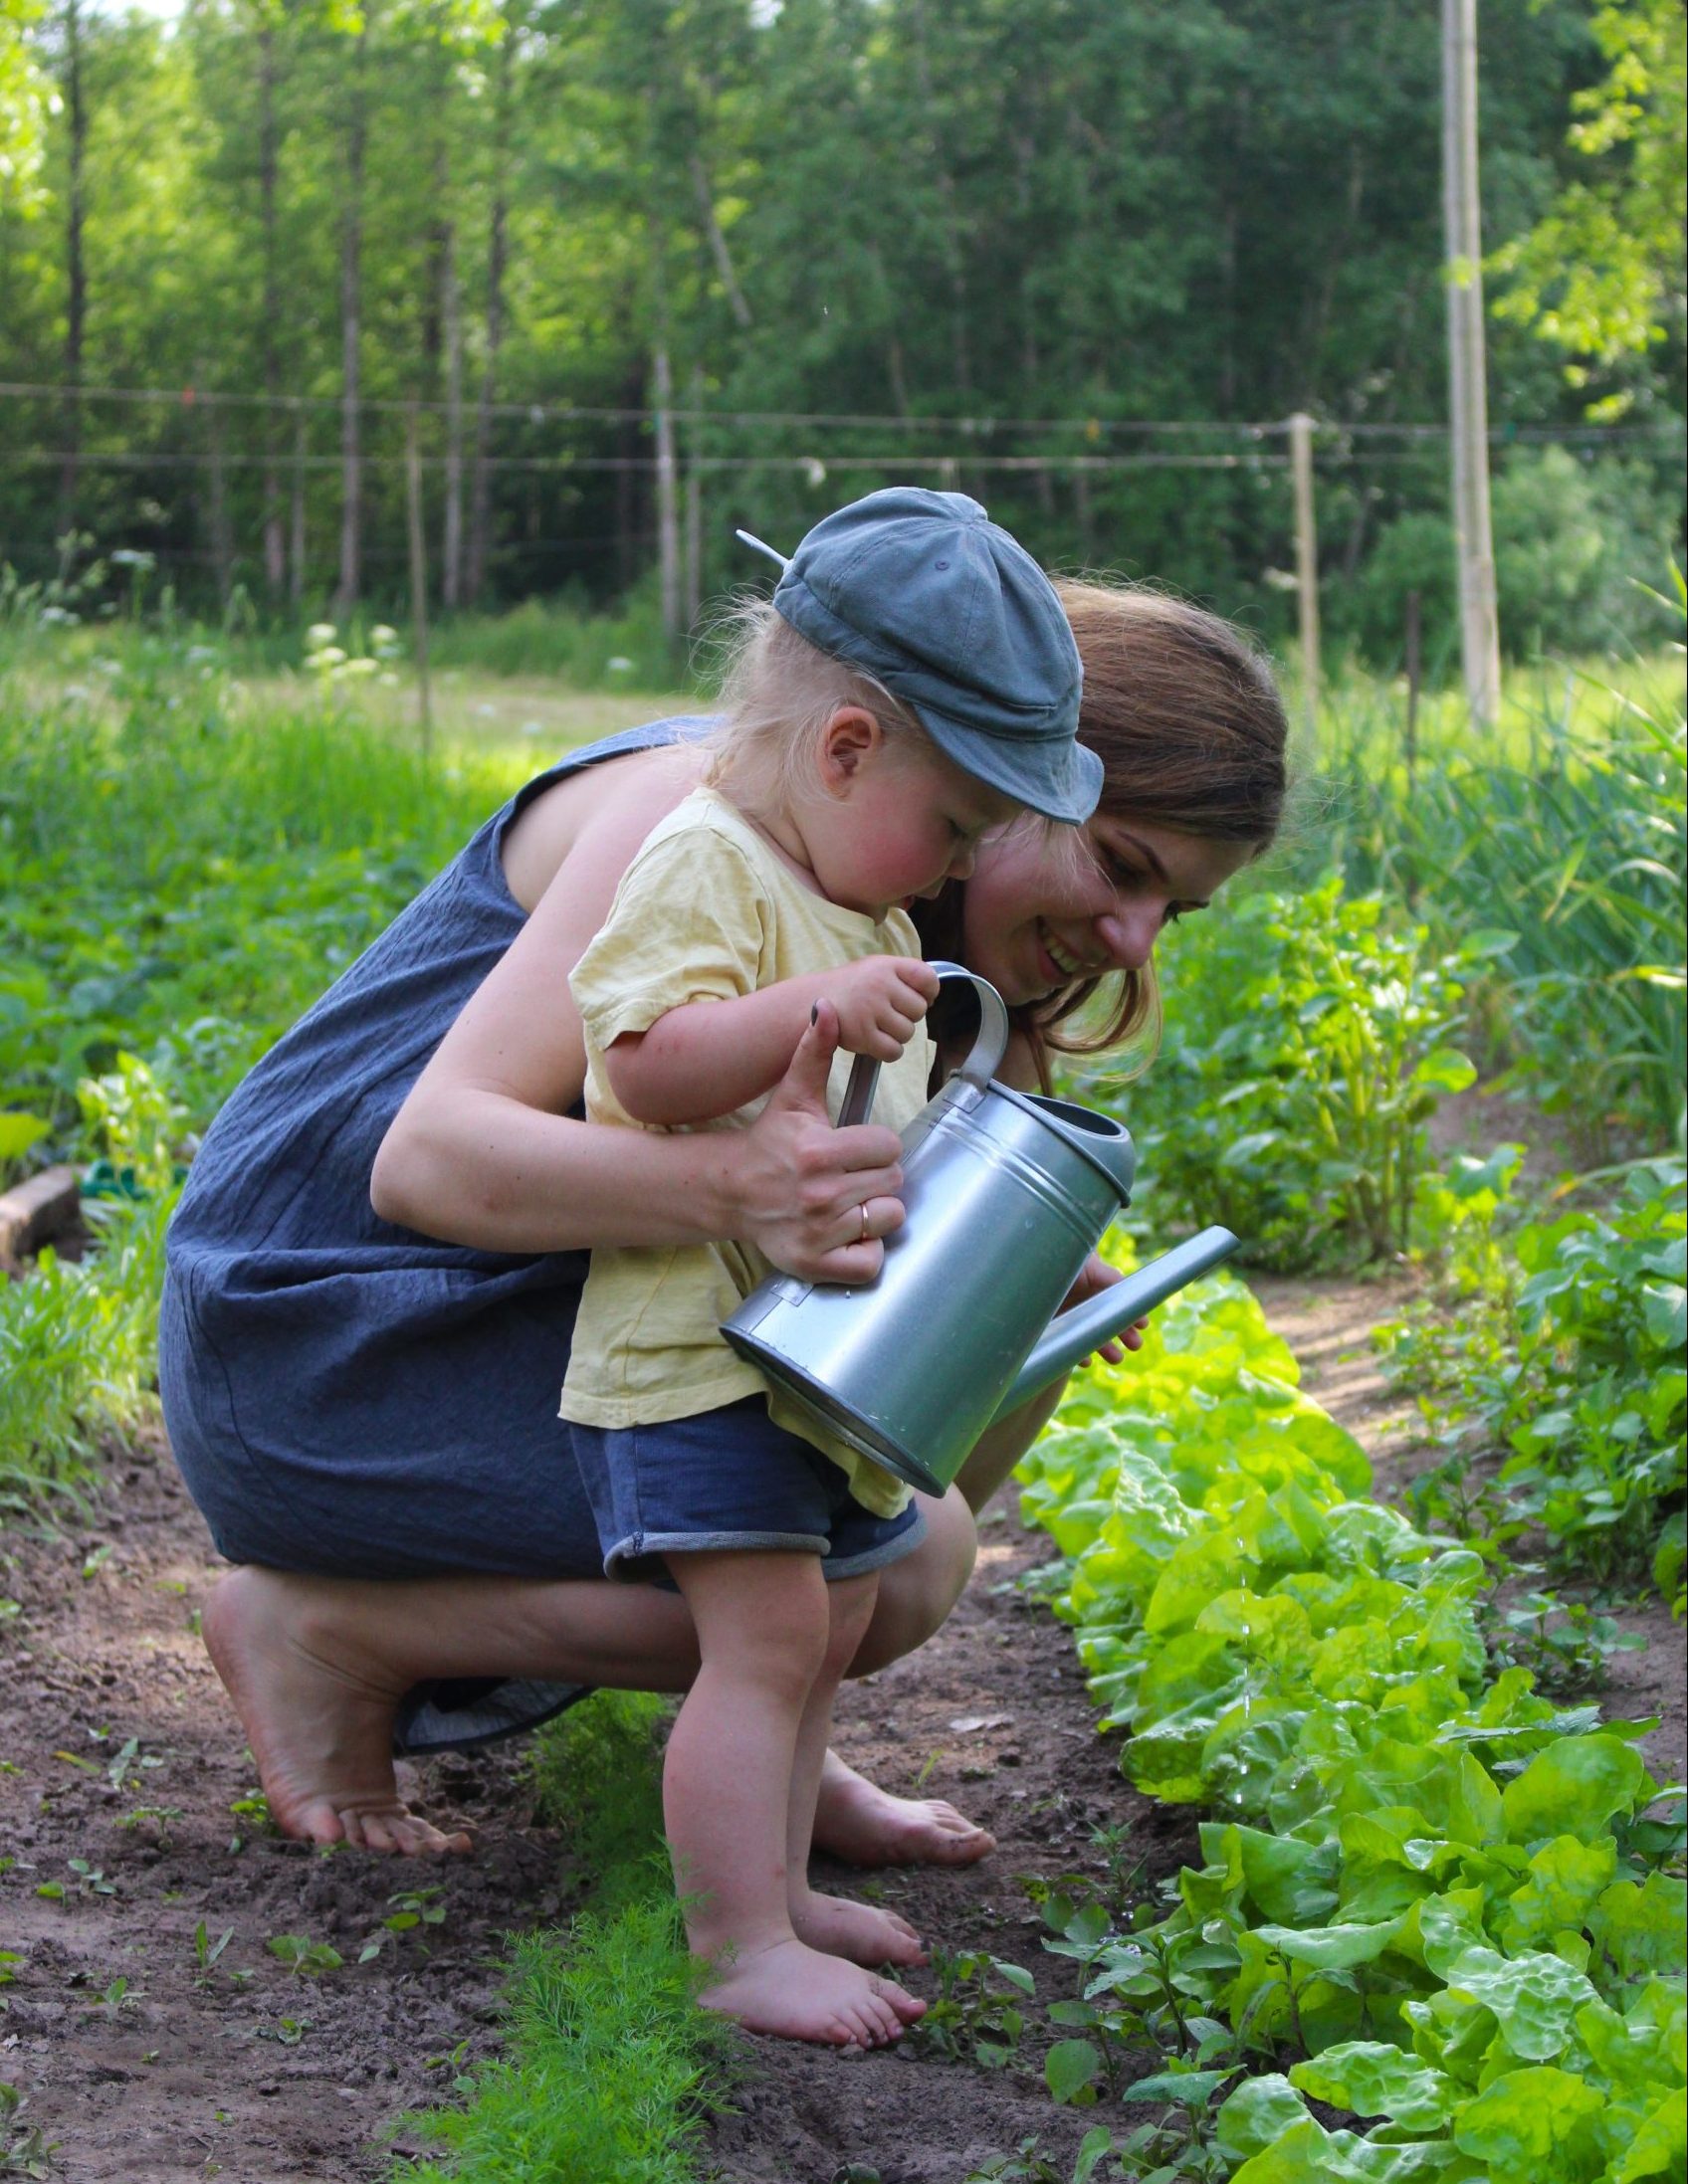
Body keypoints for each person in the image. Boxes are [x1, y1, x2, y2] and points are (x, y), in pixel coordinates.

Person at [158, 523, 1287, 1878]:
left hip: (507, 1303)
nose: (1134, 942)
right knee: (889, 1566)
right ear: (970, 758)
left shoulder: (894, 910)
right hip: (320, 1332)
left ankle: (771, 1731)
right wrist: (736, 1188)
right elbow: (430, 1162)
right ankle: (333, 1633)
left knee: (924, 1475)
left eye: (1180, 910)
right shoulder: (693, 821)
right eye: (1120, 865)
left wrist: (989, 1263)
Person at [554, 490, 1095, 2047]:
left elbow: (877, 1161)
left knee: (832, 1627)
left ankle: (776, 1890)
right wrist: (810, 1012)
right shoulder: (707, 861)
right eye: (956, 827)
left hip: (794, 1369)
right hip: (695, 1360)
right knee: (774, 1637)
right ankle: (736, 1946)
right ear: (846, 749)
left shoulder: (842, 895)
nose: (958, 866)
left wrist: (1025, 1264)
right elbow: (643, 1064)